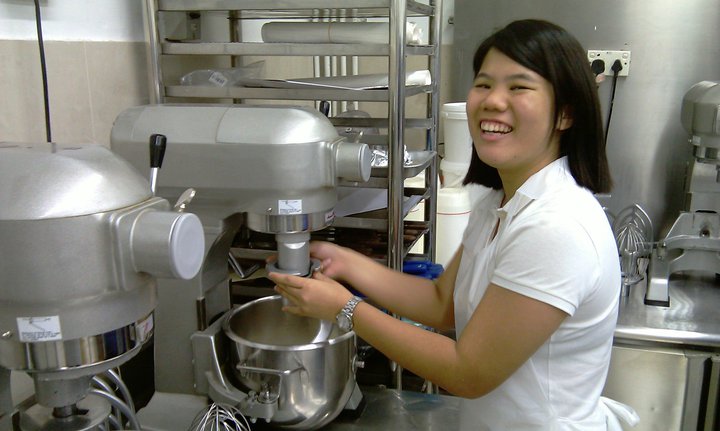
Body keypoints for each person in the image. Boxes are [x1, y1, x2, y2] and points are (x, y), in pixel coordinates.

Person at [269, 19, 625, 430]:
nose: (493, 100)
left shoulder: (556, 226)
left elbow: (467, 372)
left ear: (565, 114)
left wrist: (344, 308)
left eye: (519, 87)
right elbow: (443, 303)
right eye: (484, 84)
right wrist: (347, 262)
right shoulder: (500, 202)